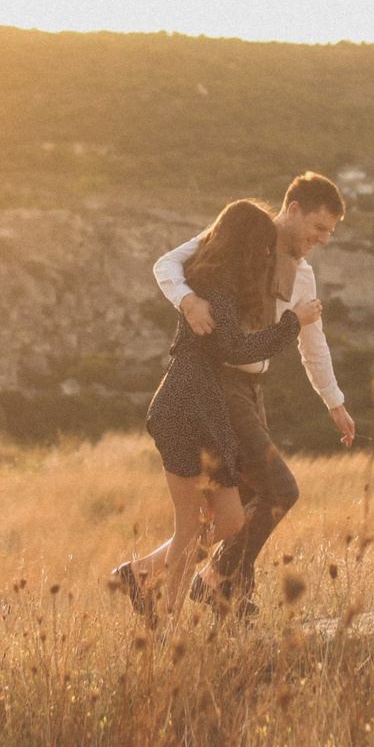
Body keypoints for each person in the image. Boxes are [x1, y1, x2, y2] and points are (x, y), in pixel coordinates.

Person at [110, 199, 322, 622]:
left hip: (209, 408)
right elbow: (236, 348)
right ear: (247, 244)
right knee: (190, 526)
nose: (267, 255)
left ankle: (137, 573)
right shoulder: (213, 286)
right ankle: (166, 619)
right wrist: (292, 323)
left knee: (228, 521)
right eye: (262, 247)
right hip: (184, 404)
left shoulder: (220, 283)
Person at [154, 171, 354, 614]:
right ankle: (215, 581)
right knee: (278, 492)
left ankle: (213, 593)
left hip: (251, 388)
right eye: (319, 228)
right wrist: (187, 300)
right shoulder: (238, 239)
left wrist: (334, 402)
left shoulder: (304, 277)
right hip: (218, 383)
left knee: (243, 507)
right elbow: (167, 264)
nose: (322, 239)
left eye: (330, 233)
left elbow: (312, 342)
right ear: (294, 209)